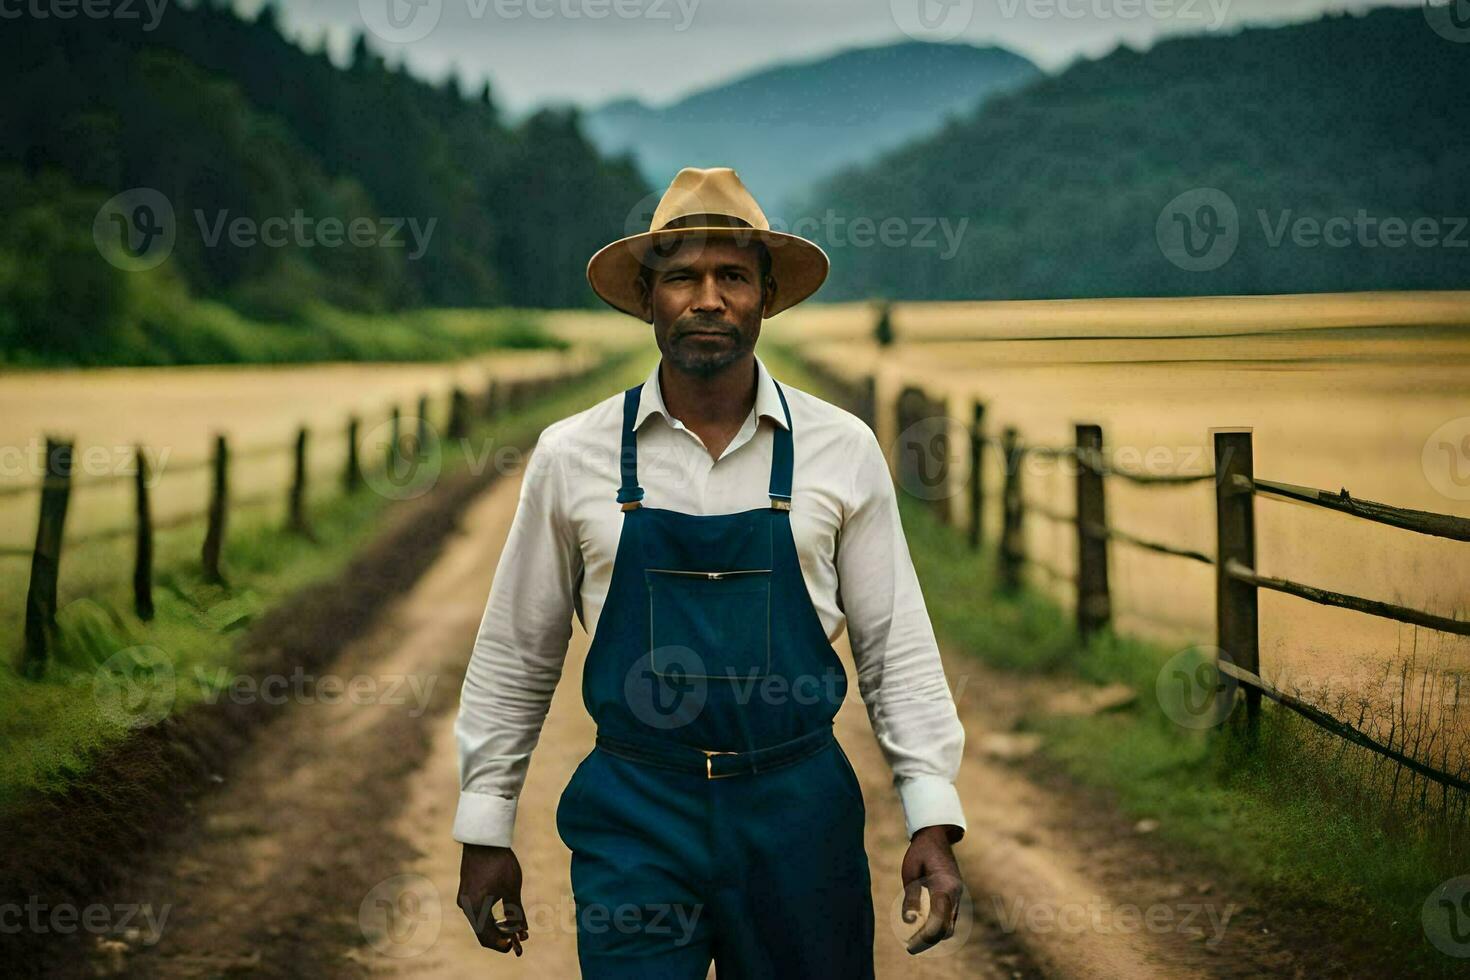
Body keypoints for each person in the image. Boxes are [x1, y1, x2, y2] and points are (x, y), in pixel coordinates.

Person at [453, 167, 968, 978]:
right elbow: (518, 652)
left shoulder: (843, 449)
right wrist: (485, 827)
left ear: (765, 296)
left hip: (798, 814)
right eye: (683, 277)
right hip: (635, 814)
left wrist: (932, 816)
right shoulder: (570, 455)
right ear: (647, 297)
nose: (708, 298)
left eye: (731, 276)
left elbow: (893, 645)